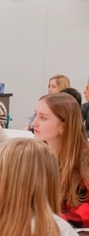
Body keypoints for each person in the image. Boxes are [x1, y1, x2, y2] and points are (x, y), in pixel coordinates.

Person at [33, 92, 89, 228]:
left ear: (63, 127)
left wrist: (52, 220)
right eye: (36, 115)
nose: (34, 123)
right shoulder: (40, 157)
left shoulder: (84, 161)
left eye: (43, 118)